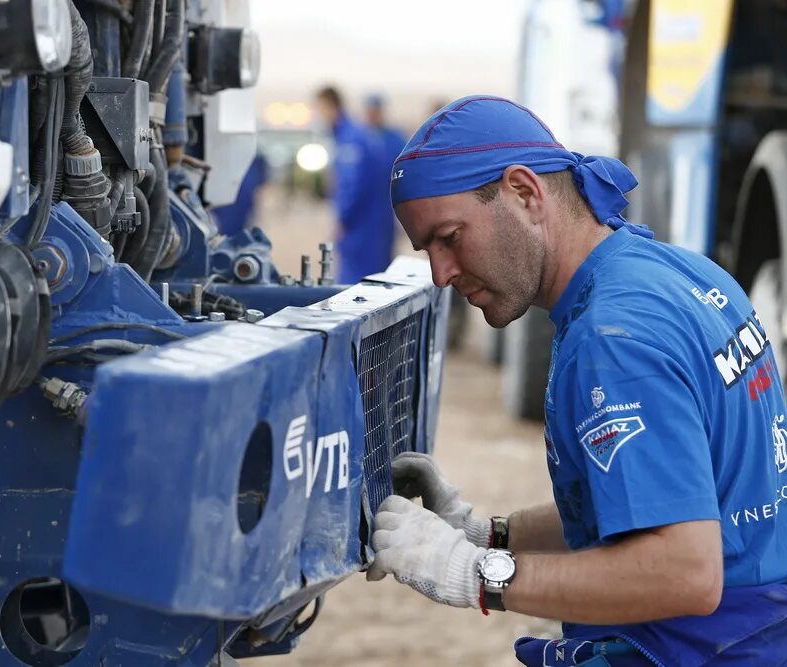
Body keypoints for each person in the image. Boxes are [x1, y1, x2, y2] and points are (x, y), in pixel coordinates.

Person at [368, 95, 787, 666]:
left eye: (449, 237)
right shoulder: (681, 273)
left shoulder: (612, 339)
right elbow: (650, 501)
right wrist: (485, 535)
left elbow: (684, 573)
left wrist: (477, 575)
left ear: (524, 192)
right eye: (427, 250)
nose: (441, 274)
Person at [314, 86, 394, 283]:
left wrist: (343, 219)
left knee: (357, 290)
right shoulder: (352, 136)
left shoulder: (351, 139)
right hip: (370, 224)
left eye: (320, 109)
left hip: (363, 228)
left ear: (331, 106)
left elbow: (353, 185)